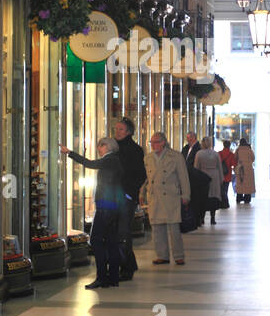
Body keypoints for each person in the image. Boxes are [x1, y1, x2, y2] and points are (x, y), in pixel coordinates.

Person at [60, 137, 129, 290]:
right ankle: (112, 278)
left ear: (108, 146)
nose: (99, 148)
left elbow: (90, 164)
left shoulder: (110, 160)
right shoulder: (114, 161)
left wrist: (70, 152)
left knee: (97, 241)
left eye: (101, 145)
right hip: (111, 206)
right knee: (110, 242)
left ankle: (102, 277)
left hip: (106, 207)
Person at [142, 131, 190, 265]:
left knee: (174, 228)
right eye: (152, 143)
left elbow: (183, 177)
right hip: (154, 196)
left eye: (156, 142)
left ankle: (178, 255)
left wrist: (186, 195)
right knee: (157, 228)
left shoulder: (175, 156)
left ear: (163, 142)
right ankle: (162, 255)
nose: (153, 145)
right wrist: (142, 193)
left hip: (171, 196)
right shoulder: (148, 158)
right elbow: (147, 178)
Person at [113, 117, 146, 281]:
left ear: (128, 132)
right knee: (115, 232)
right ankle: (128, 263)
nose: (117, 132)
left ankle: (127, 267)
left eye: (120, 129)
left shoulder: (135, 150)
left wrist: (129, 192)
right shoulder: (112, 148)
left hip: (126, 198)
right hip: (111, 196)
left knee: (123, 231)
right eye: (116, 129)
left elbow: (141, 175)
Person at [193, 137, 223, 225]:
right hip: (214, 176)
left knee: (203, 197)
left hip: (203, 176)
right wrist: (221, 179)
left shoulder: (199, 154)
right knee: (213, 197)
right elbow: (219, 166)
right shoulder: (215, 154)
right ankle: (212, 218)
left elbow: (196, 167)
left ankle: (202, 218)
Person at [234, 138, 255, 204]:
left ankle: (239, 197)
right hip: (248, 169)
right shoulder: (249, 150)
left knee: (240, 182)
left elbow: (235, 158)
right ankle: (247, 198)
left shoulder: (238, 150)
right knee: (248, 184)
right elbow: (253, 158)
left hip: (240, 168)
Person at [218, 139, 237, 208]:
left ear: (223, 145)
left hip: (220, 174)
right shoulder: (231, 154)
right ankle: (225, 203)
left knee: (221, 189)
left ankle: (221, 203)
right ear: (229, 146)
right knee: (225, 189)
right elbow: (233, 164)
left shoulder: (219, 153)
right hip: (227, 174)